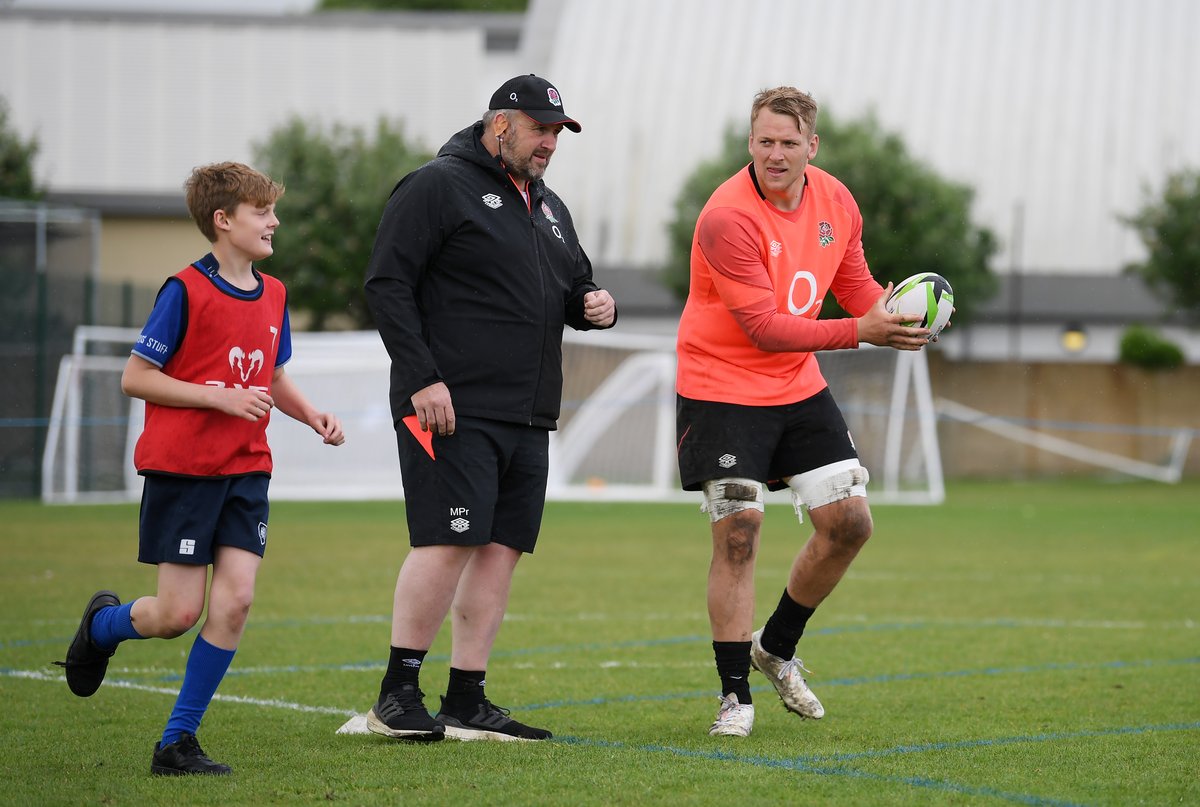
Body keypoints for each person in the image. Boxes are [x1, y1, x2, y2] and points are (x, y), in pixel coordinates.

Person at [56, 162, 345, 774]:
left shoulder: (275, 294)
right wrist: (218, 396)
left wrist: (312, 414)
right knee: (176, 616)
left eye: (272, 210)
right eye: (261, 211)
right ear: (223, 220)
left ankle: (175, 743)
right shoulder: (184, 290)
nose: (274, 221)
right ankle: (103, 625)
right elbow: (137, 377)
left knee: (236, 601)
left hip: (246, 470)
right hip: (185, 471)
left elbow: (269, 376)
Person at [675, 87, 937, 738]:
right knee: (739, 534)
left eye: (789, 142)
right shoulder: (725, 217)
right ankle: (735, 695)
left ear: (811, 147)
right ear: (750, 142)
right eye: (764, 140)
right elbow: (764, 326)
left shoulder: (836, 200)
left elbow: (855, 288)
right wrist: (861, 331)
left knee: (850, 521)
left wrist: (899, 313)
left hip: (795, 384)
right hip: (721, 385)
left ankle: (777, 645)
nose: (776, 153)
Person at [363, 74, 616, 743]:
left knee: (500, 550)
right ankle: (397, 693)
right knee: (447, 541)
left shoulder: (549, 205)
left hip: (527, 412)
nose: (551, 143)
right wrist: (422, 378)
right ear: (501, 124)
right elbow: (387, 284)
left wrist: (593, 305)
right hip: (450, 405)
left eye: (559, 131)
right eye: (541, 129)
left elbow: (571, 282)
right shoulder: (435, 186)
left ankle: (467, 697)